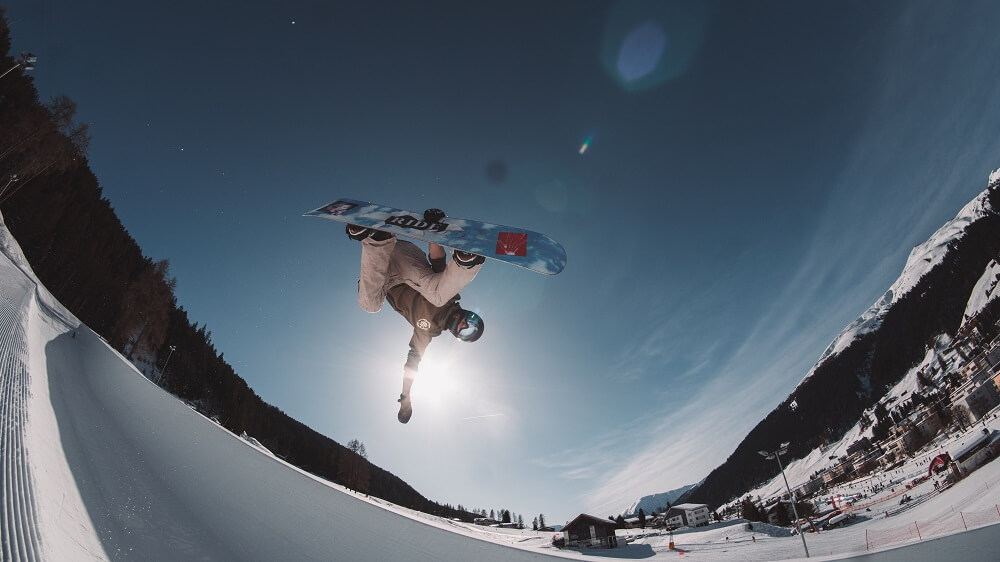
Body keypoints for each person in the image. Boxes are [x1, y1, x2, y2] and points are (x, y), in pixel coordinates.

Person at [346, 209, 485, 423]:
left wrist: (405, 398)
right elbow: (438, 260)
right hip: (407, 260)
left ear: (458, 334)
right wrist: (434, 231)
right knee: (439, 294)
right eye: (472, 320)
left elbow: (413, 363)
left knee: (370, 305)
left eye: (467, 330)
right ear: (469, 313)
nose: (466, 323)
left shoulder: (427, 331)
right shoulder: (447, 294)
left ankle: (376, 238)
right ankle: (468, 260)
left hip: (382, 268)